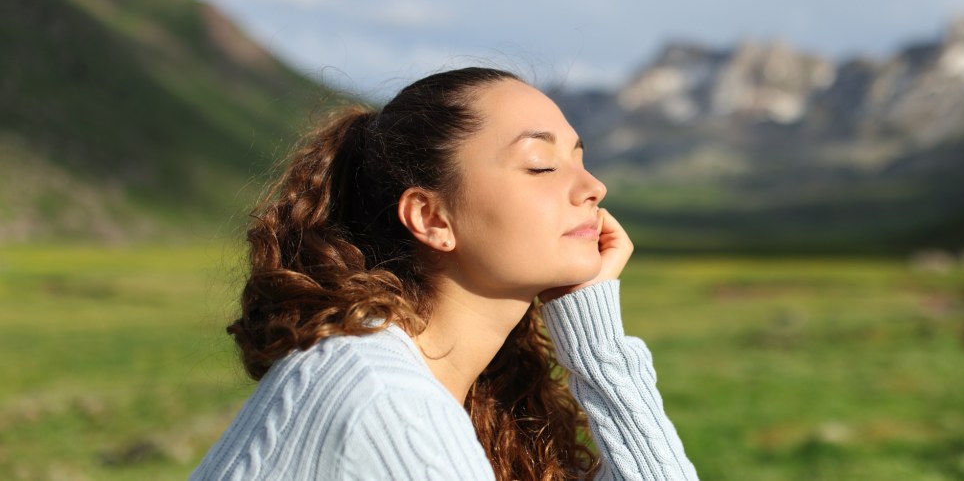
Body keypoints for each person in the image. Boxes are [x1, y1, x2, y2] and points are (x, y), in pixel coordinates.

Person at [191, 67, 699, 481]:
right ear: (432, 218)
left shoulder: (470, 395)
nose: (594, 186)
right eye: (542, 165)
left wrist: (598, 343)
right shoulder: (387, 399)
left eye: (581, 160)